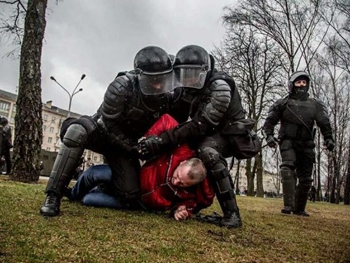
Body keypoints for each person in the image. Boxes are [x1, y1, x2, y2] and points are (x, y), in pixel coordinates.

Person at [40, 46, 176, 217]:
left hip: (123, 146)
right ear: (140, 75)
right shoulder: (122, 86)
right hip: (101, 132)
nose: (158, 85)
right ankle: (53, 195)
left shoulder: (165, 98)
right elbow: (108, 124)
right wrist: (134, 148)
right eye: (153, 79)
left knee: (129, 194)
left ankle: (97, 187)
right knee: (77, 131)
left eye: (162, 79)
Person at [138, 45, 250, 228]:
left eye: (192, 73)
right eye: (184, 73)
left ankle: (232, 214)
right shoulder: (187, 87)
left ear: (204, 70)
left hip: (227, 133)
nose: (188, 78)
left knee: (207, 152)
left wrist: (163, 140)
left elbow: (199, 125)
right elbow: (176, 117)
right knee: (189, 153)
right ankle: (181, 203)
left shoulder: (219, 87)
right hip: (204, 131)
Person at [65, 114, 215, 221]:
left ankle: (102, 190)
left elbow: (188, 208)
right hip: (136, 177)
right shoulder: (181, 152)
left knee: (89, 199)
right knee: (94, 173)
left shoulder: (191, 194)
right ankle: (73, 193)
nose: (175, 182)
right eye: (177, 176)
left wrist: (180, 212)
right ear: (183, 163)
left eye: (182, 184)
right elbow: (167, 120)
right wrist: (148, 141)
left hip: (137, 203)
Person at [262, 71, 334, 216]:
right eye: (298, 82)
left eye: (304, 82)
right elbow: (269, 122)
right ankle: (288, 205)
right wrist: (269, 136)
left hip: (307, 144)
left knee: (306, 178)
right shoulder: (283, 103)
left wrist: (329, 138)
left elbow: (324, 123)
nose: (301, 85)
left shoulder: (316, 105)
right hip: (288, 141)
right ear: (292, 84)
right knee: (287, 167)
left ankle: (299, 208)